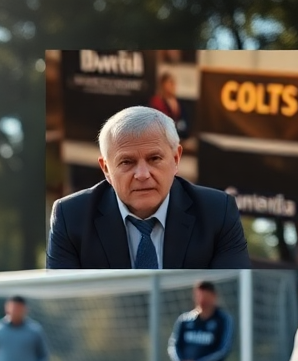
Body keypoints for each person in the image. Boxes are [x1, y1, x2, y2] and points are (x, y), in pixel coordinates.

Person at [47, 106, 250, 269]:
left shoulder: (218, 212)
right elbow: (64, 301)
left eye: (154, 158)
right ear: (106, 169)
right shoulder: (70, 217)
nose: (143, 174)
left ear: (176, 158)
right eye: (127, 162)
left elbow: (232, 295)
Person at [147, 72, 189, 140]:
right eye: (170, 83)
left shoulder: (177, 102)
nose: (173, 85)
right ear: (163, 85)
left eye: (174, 83)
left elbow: (182, 123)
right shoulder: (157, 102)